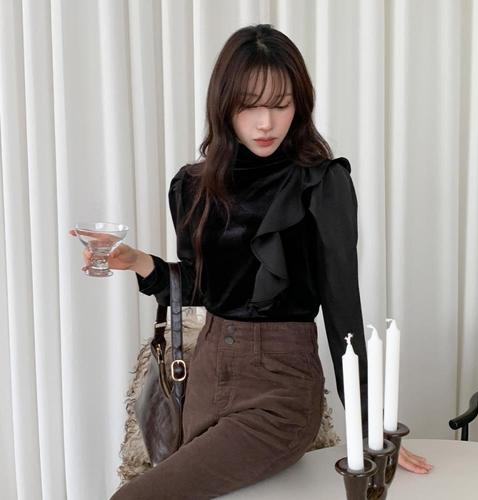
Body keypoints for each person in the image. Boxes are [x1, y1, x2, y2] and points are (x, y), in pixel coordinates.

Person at [71, 23, 431, 499]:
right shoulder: (192, 186)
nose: (266, 123)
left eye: (280, 105)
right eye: (250, 106)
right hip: (206, 380)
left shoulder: (322, 184)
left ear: (299, 105)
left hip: (281, 391)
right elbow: (204, 288)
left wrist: (370, 426)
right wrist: (139, 262)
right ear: (225, 106)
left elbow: (343, 307)